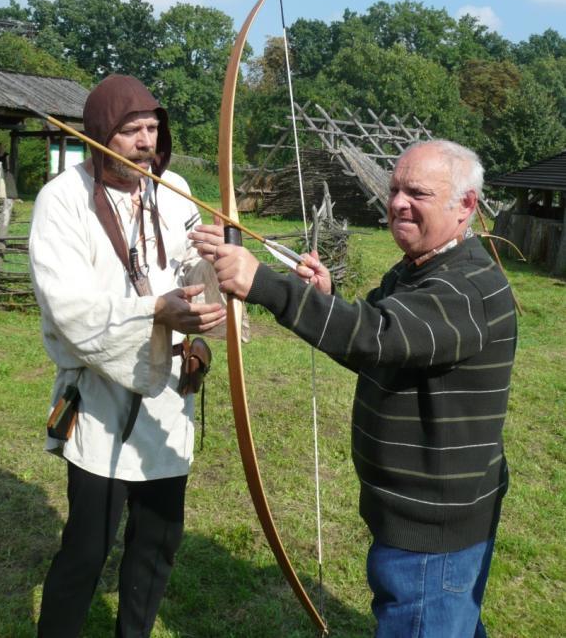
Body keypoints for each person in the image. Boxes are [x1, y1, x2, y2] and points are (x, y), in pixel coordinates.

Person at [199, 140, 516, 637]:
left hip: (432, 534)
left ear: (466, 206)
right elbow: (379, 342)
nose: (397, 203)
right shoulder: (421, 269)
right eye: (394, 188)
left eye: (418, 192)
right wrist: (322, 299)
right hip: (421, 519)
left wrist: (264, 284)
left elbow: (377, 336)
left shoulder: (463, 288)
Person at [29, 74, 226, 638]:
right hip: (99, 399)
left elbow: (196, 271)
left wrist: (210, 292)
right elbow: (69, 309)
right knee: (87, 550)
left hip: (168, 401)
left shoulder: (174, 189)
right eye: (130, 131)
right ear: (98, 136)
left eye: (152, 129)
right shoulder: (61, 200)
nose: (145, 142)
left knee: (157, 543)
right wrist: (156, 313)